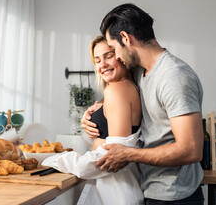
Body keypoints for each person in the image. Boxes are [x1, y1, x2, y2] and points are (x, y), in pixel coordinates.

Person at [81, 3, 204, 204]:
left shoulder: (174, 77)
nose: (116, 57)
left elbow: (191, 150)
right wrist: (91, 113)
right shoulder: (140, 71)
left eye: (112, 49)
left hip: (175, 197)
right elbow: (121, 92)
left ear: (126, 38)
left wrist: (128, 154)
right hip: (149, 189)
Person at [42, 36, 144, 205]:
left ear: (121, 55)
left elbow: (111, 158)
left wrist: (56, 159)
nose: (102, 65)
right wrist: (89, 122)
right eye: (97, 60)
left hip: (116, 192)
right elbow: (104, 141)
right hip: (114, 189)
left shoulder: (117, 90)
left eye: (108, 56)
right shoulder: (124, 88)